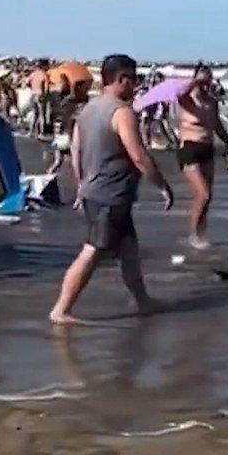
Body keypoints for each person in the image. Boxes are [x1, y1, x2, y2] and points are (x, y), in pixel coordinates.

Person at [49, 54, 174, 325]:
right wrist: (162, 185)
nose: (136, 86)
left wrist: (81, 184)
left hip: (98, 190)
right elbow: (138, 155)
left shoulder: (89, 109)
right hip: (109, 194)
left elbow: (76, 149)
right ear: (121, 79)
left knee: (129, 248)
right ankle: (61, 310)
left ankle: (142, 301)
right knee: (94, 249)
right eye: (133, 79)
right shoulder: (121, 112)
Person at [176, 65, 228, 248]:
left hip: (207, 149)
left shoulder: (211, 102)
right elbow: (180, 93)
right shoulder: (187, 100)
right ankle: (194, 235)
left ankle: (201, 233)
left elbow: (217, 125)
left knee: (207, 197)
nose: (206, 84)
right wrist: (197, 81)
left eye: (209, 80)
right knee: (202, 194)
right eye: (203, 81)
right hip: (189, 148)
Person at [48, 79, 91, 175]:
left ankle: (48, 177)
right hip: (70, 134)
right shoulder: (79, 103)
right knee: (75, 161)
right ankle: (79, 180)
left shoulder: (67, 101)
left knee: (58, 162)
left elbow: (59, 116)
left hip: (62, 133)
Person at [25, 59, 50, 137]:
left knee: (34, 114)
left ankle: (30, 132)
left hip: (33, 94)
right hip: (40, 94)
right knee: (41, 115)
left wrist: (32, 87)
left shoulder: (33, 74)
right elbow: (46, 89)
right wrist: (45, 95)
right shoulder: (44, 75)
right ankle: (41, 133)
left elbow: (27, 83)